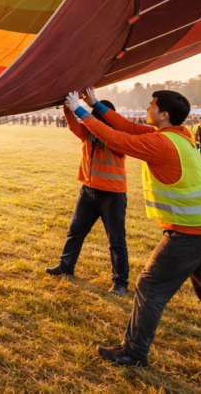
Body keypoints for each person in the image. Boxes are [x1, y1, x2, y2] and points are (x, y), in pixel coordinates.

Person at [67, 88, 201, 380]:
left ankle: (132, 353)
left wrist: (80, 111)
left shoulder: (161, 144)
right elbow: (127, 127)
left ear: (164, 114)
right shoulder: (179, 135)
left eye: (151, 105)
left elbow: (117, 138)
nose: (147, 109)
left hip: (189, 234)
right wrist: (95, 104)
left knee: (149, 286)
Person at [47, 100, 128, 295]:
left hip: (112, 194)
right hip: (88, 190)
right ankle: (65, 266)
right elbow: (73, 125)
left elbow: (115, 146)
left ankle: (120, 282)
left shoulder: (118, 136)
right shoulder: (88, 133)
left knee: (116, 239)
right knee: (75, 231)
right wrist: (67, 106)